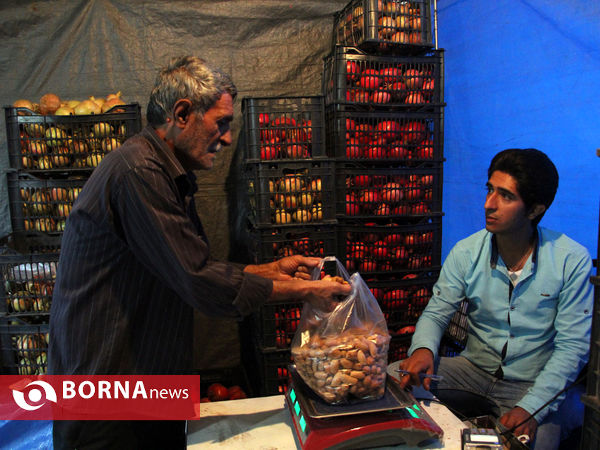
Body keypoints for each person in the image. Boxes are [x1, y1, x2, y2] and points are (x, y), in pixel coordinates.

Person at [48, 55, 351, 449]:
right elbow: (198, 279)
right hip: (108, 393)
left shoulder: (166, 172)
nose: (227, 139)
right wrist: (306, 291)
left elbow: (190, 267)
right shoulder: (139, 173)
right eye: (221, 123)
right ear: (183, 113)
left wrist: (274, 269)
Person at [398, 148, 593, 449]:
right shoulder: (467, 252)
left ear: (535, 209)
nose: (488, 204)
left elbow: (572, 346)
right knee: (394, 378)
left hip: (531, 383)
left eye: (506, 196)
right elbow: (437, 312)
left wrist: (532, 406)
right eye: (489, 190)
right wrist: (423, 347)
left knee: (536, 442)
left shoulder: (570, 260)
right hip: (473, 372)